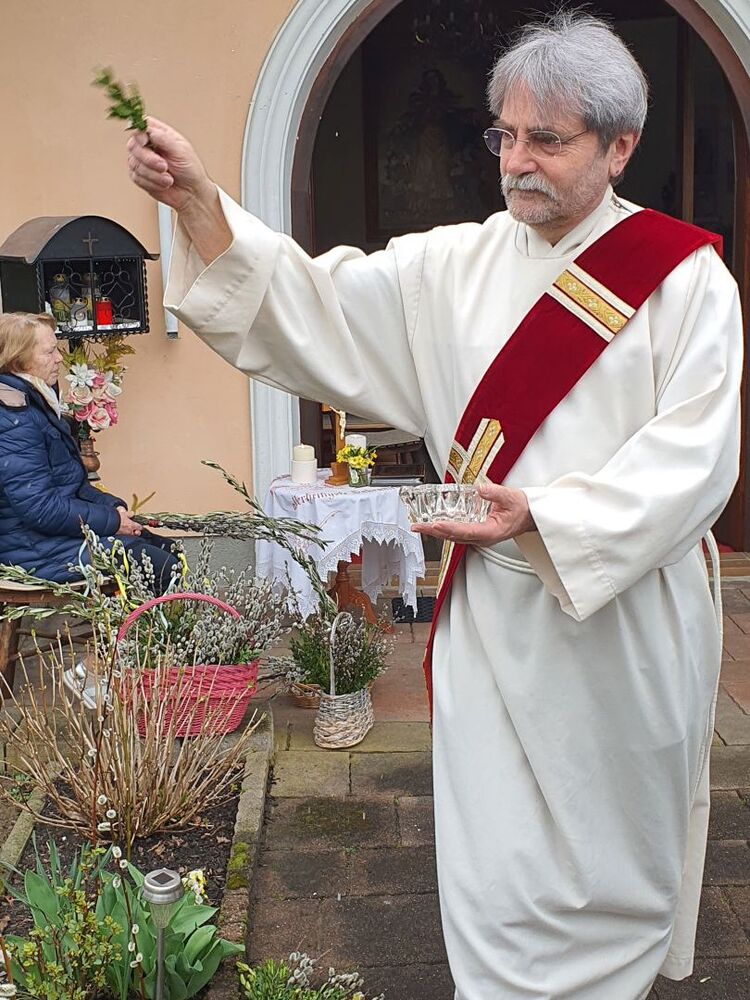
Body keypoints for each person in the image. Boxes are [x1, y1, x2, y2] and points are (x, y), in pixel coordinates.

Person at [126, 10, 743, 998]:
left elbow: (696, 460)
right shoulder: (451, 267)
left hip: (621, 626)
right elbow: (317, 302)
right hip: (496, 625)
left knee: (611, 865)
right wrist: (202, 205)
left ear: (620, 146)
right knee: (496, 865)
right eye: (505, 134)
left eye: (548, 140)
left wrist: (545, 515)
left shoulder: (688, 283)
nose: (517, 161)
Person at [0, 312, 178, 591]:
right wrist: (112, 522)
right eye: (49, 352)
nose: (58, 359)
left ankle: (142, 621)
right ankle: (143, 622)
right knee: (161, 566)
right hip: (32, 550)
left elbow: (71, 487)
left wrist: (114, 508)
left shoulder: (33, 404)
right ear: (17, 360)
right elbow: (40, 508)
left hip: (49, 539)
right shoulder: (14, 419)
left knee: (167, 549)